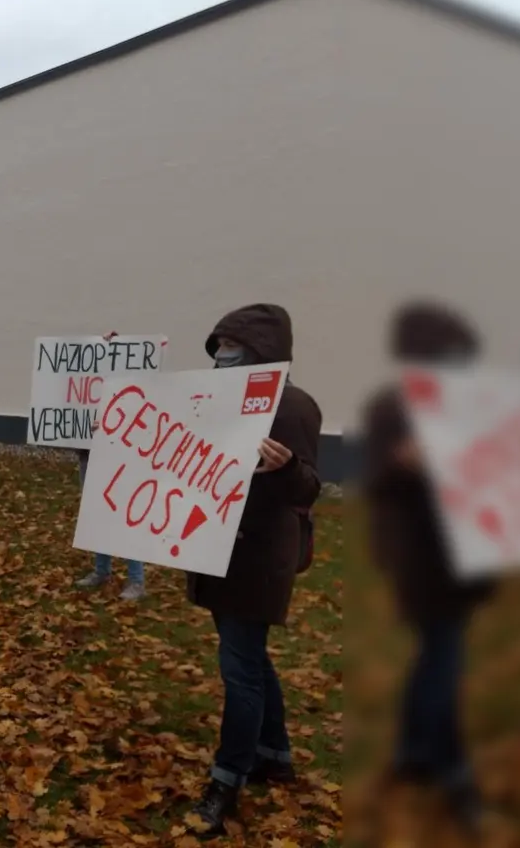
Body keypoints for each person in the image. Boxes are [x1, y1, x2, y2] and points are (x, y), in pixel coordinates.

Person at [185, 304, 322, 837]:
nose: (222, 356)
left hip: (256, 556)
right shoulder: (217, 399)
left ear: (261, 351)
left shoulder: (293, 407)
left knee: (240, 666)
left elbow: (308, 488)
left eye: (231, 348)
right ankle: (274, 753)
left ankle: (227, 780)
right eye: (218, 347)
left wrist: (286, 467)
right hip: (218, 547)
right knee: (249, 655)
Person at [364, 302, 491, 833]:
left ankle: (413, 753)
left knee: (436, 654)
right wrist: (403, 463)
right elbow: (379, 483)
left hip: (467, 555)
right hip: (423, 562)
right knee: (444, 659)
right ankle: (454, 772)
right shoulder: (391, 408)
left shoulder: (466, 405)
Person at [72, 449, 147, 601]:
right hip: (89, 457)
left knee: (125, 517)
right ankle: (102, 571)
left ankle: (136, 580)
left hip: (119, 457)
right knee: (98, 516)